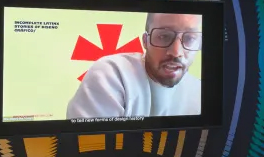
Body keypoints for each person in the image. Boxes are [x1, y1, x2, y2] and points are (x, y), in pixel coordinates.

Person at [66, 12, 203, 121]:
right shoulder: (111, 74)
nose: (176, 52)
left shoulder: (199, 92)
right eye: (164, 36)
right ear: (145, 41)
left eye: (190, 38)